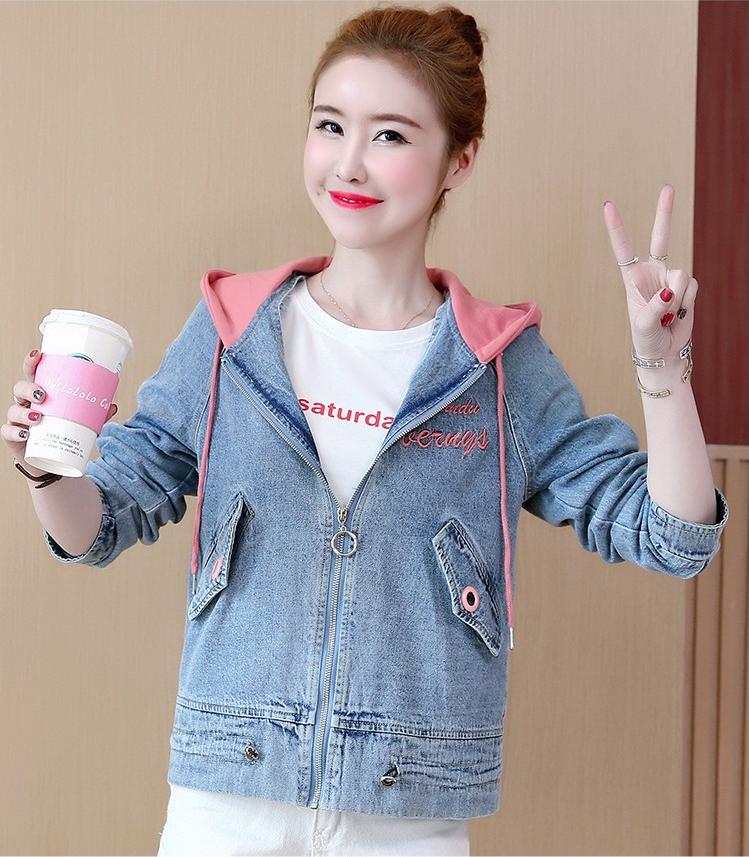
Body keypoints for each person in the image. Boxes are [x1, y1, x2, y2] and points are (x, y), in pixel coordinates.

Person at [4, 4, 730, 856]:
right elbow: (98, 527)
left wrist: (661, 368)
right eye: (329, 125)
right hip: (225, 800)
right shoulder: (232, 333)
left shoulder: (498, 365)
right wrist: (47, 469)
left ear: (460, 158)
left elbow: (672, 537)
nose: (348, 161)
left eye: (389, 134)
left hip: (409, 814)